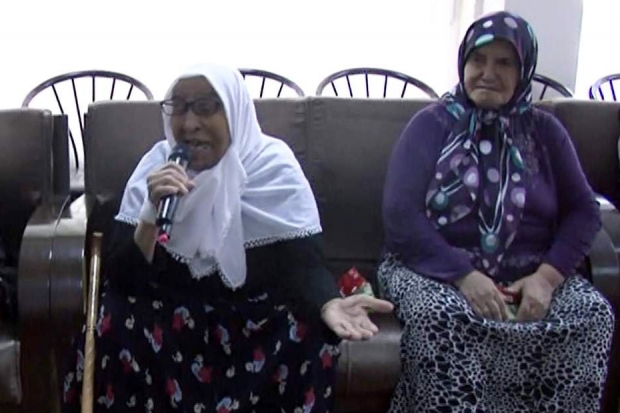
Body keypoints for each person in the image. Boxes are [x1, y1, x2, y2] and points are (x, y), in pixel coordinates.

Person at [61, 63, 393, 413]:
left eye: (206, 107)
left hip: (252, 327)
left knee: (312, 330)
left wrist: (328, 303)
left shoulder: (273, 166)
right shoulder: (156, 165)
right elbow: (122, 279)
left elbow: (302, 265)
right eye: (179, 107)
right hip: (170, 325)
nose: (189, 123)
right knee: (113, 318)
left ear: (235, 111)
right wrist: (150, 213)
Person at [378, 11, 614, 412]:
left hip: (528, 273)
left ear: (524, 71)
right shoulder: (430, 125)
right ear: (463, 63)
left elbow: (584, 211)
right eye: (478, 60)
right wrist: (464, 275)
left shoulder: (546, 131)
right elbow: (400, 214)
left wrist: (546, 279)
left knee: (593, 315)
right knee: (441, 319)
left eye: (504, 62)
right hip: (432, 271)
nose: (487, 73)